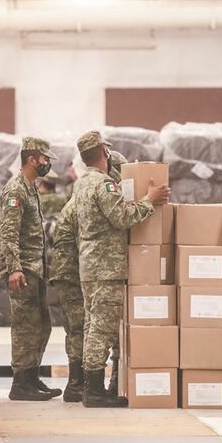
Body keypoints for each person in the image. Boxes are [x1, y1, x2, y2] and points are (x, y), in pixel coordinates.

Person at [74, 131, 169, 408]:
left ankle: (90, 386)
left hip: (90, 265)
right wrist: (150, 199)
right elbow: (122, 217)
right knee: (102, 329)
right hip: (106, 266)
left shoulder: (81, 183)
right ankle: (94, 391)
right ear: (104, 151)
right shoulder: (103, 185)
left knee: (93, 326)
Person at [48, 148, 129, 403]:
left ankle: (84, 386)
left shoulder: (83, 191)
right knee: (84, 328)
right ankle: (79, 385)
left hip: (82, 268)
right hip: (73, 270)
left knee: (91, 326)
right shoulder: (94, 194)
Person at [0, 136, 62, 401]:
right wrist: (14, 268)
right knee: (25, 326)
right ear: (32, 159)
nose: (48, 164)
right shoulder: (16, 190)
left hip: (34, 267)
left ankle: (32, 378)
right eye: (45, 159)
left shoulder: (30, 187)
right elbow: (8, 233)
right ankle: (20, 384)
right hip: (21, 268)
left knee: (41, 325)